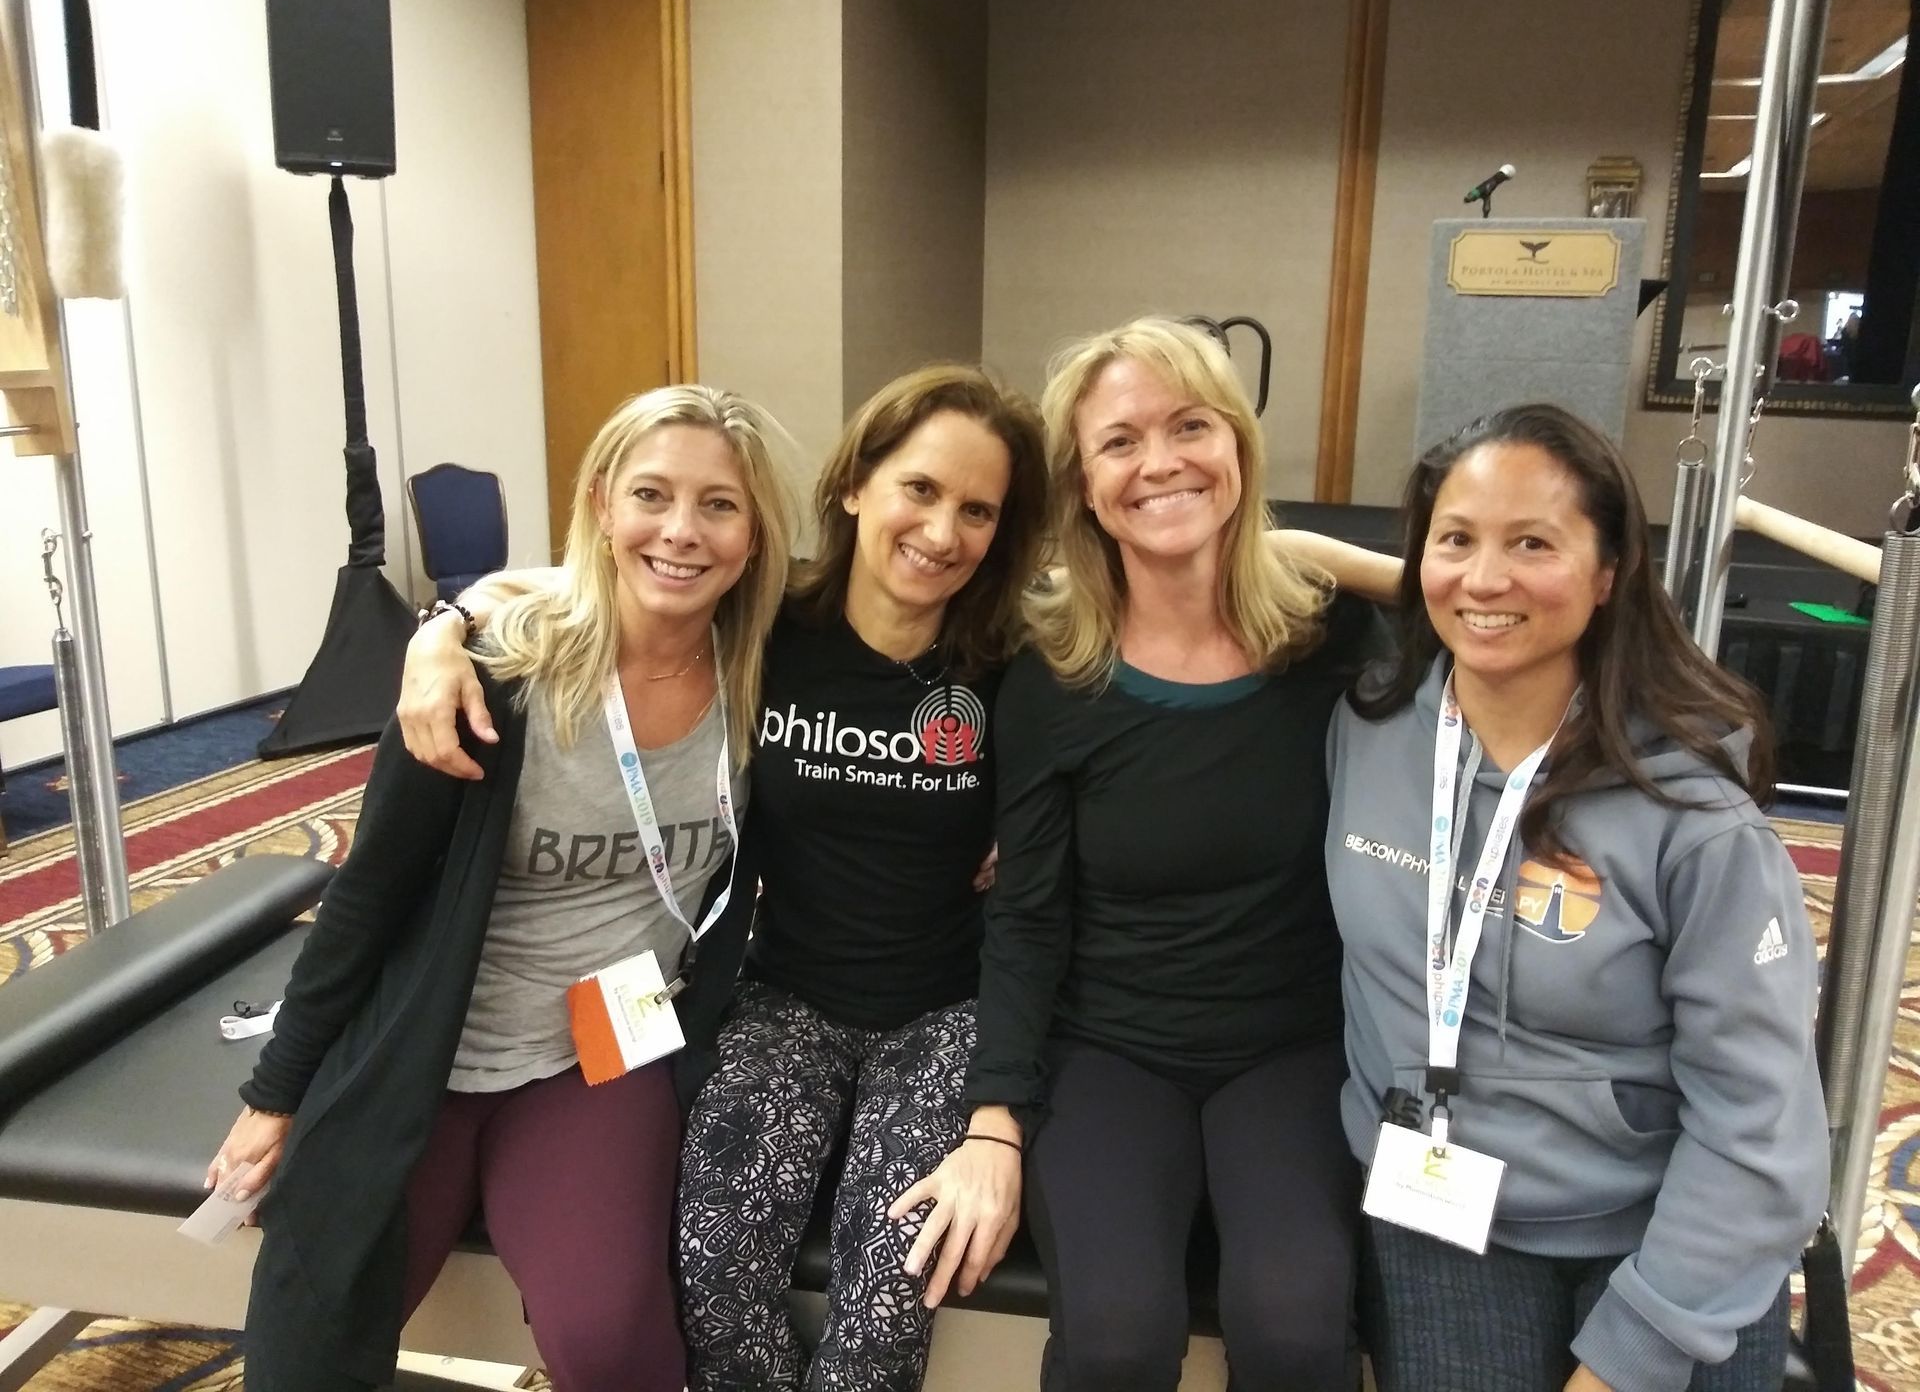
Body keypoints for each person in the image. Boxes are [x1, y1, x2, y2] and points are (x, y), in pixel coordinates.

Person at [398, 364, 1051, 1391]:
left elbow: (1209, 571)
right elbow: (569, 583)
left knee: (890, 1294)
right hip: (783, 998)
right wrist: (441, 629)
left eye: (978, 510)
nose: (941, 531)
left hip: (944, 1016)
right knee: (713, 1265)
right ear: (855, 485)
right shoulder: (765, 624)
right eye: (920, 489)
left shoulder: (1015, 662)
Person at [206, 384, 800, 1392]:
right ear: (602, 504)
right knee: (313, 1328)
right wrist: (275, 1097)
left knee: (610, 1345)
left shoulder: (766, 676)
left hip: (599, 1053)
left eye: (719, 506)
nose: (682, 531)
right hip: (430, 1048)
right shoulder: (492, 678)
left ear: (753, 536)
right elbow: (366, 898)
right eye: (651, 495)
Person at [1327, 404, 1827, 1392]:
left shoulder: (1693, 817)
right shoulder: (1368, 730)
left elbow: (1758, 1126)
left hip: (1659, 1219)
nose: (1485, 579)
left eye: (1533, 544)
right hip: (1439, 1201)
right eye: (1456, 540)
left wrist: (1630, 1356)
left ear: (1608, 575)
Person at [944, 316, 1376, 1391]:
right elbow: (1026, 914)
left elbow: (1492, 596)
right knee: (1116, 1341)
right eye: (1120, 441)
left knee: (1294, 1331)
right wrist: (996, 1117)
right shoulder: (1056, 675)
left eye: (1191, 426)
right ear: (1084, 486)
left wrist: (1327, 554)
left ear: (1237, 445)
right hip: (1108, 1050)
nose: (1161, 462)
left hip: (1291, 1046)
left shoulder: (1330, 636)